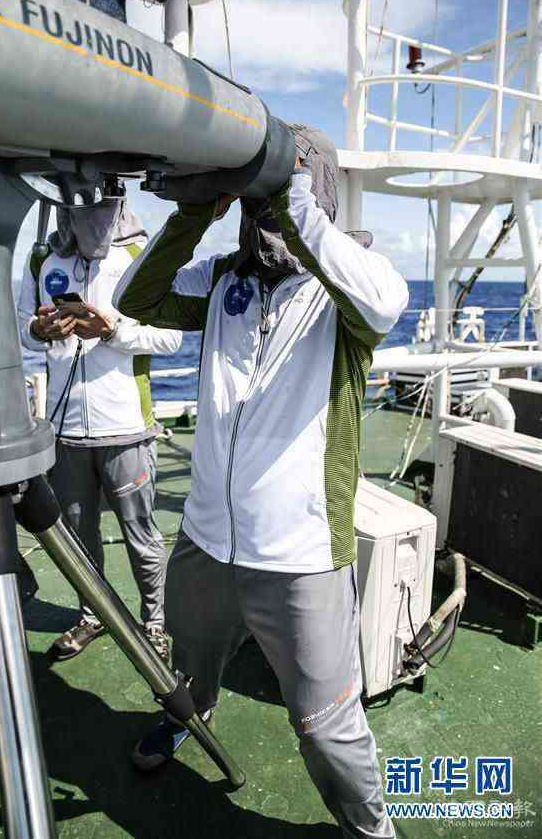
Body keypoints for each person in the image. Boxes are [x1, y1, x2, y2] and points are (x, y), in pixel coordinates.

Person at [113, 126, 408, 837]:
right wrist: (197, 209)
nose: (266, 212)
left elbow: (384, 304)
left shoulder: (348, 289)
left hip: (300, 557)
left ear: (316, 191)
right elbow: (136, 298)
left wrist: (290, 191)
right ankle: (190, 717)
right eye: (260, 198)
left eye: (282, 191)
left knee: (325, 726)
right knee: (190, 664)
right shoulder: (224, 278)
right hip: (206, 539)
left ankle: (370, 827)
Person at [18, 188, 182, 662]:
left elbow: (172, 336)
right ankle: (93, 614)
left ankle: (155, 622)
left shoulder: (139, 255)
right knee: (78, 535)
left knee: (141, 534)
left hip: (126, 427)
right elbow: (22, 326)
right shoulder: (45, 258)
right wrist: (39, 330)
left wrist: (111, 331)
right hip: (66, 430)